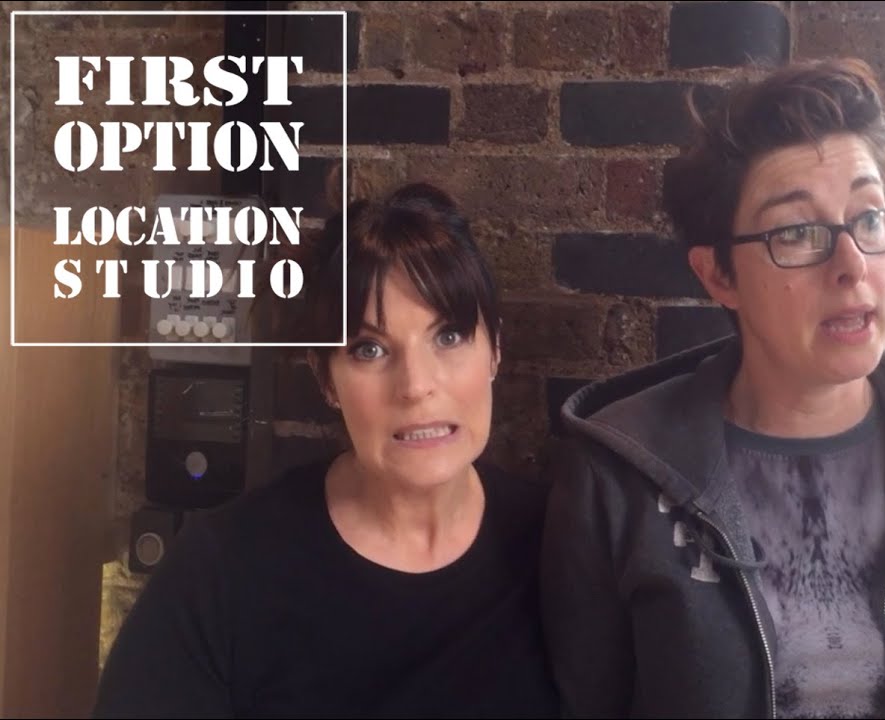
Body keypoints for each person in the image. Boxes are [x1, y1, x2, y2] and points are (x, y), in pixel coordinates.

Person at [538, 58, 885, 719]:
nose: (851, 265)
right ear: (718, 274)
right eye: (796, 232)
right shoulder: (615, 482)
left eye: (870, 218)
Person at [94, 181, 562, 719]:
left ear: (495, 349)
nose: (416, 385)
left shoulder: (563, 549)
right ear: (326, 379)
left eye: (449, 336)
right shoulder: (223, 571)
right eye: (370, 349)